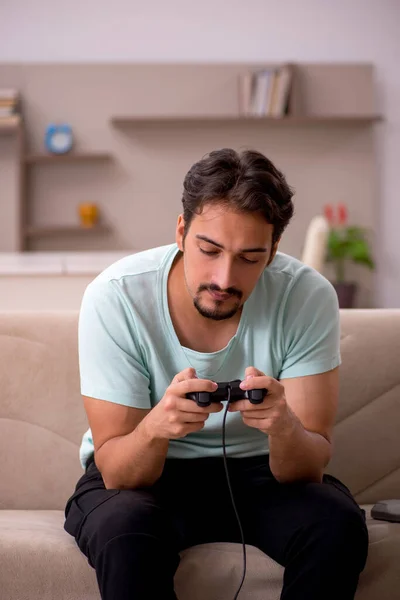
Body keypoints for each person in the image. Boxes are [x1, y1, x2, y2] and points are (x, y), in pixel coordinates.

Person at [64, 148, 368, 600]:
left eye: (250, 257)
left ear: (274, 250)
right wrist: (156, 429)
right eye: (209, 250)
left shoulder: (306, 296)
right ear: (182, 231)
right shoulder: (117, 296)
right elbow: (118, 473)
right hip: (145, 475)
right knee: (125, 532)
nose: (224, 278)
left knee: (337, 525)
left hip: (262, 471)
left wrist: (284, 428)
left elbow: (308, 468)